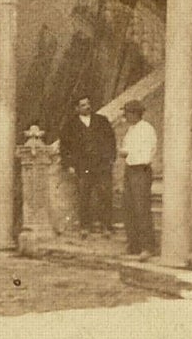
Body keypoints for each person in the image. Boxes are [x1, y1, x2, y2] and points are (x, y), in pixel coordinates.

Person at [59, 96, 116, 236]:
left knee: (105, 195)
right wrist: (69, 165)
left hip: (102, 165)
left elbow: (111, 140)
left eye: (88, 104)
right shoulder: (70, 125)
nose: (87, 107)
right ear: (77, 108)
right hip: (82, 166)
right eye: (83, 105)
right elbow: (64, 147)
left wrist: (110, 159)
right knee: (84, 196)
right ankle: (85, 226)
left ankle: (107, 226)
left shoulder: (102, 121)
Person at [119, 99, 157, 260]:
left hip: (141, 170)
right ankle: (133, 245)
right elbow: (128, 148)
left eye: (127, 113)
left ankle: (147, 247)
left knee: (141, 208)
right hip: (130, 170)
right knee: (129, 207)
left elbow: (146, 154)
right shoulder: (131, 130)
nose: (125, 116)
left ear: (135, 113)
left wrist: (127, 154)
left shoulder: (147, 130)